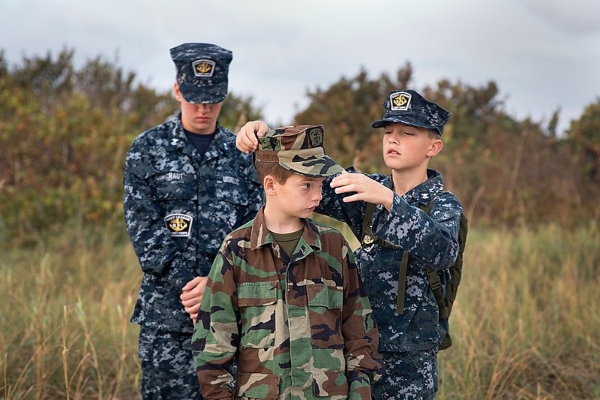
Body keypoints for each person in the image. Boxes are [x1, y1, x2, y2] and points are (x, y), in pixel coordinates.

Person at [236, 90, 463, 399]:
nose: (393, 140)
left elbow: (443, 252)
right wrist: (266, 140)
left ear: (433, 147)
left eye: (407, 133)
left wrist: (390, 202)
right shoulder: (367, 190)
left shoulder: (441, 203)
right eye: (388, 132)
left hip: (410, 356)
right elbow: (301, 178)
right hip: (355, 348)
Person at [192, 125, 385, 399]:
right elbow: (213, 348)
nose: (318, 196)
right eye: (306, 185)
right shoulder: (237, 249)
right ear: (271, 185)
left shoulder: (333, 246)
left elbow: (360, 337)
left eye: (319, 184)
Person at [123, 42, 263, 399]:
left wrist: (216, 287)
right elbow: (144, 230)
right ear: (176, 89)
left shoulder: (241, 156)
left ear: (225, 94)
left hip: (228, 318)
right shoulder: (147, 149)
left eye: (212, 99)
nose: (203, 108)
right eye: (194, 98)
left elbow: (255, 231)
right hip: (167, 320)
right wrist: (191, 289)